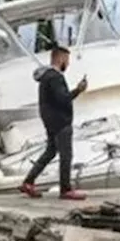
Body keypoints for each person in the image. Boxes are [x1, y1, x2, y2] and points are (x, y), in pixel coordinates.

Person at [20, 45, 88, 200]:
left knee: (50, 152)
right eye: (67, 60)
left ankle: (28, 182)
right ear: (61, 58)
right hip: (60, 122)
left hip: (49, 120)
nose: (68, 64)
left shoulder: (46, 77)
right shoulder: (56, 77)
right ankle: (66, 189)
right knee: (66, 155)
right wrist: (78, 90)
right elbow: (62, 99)